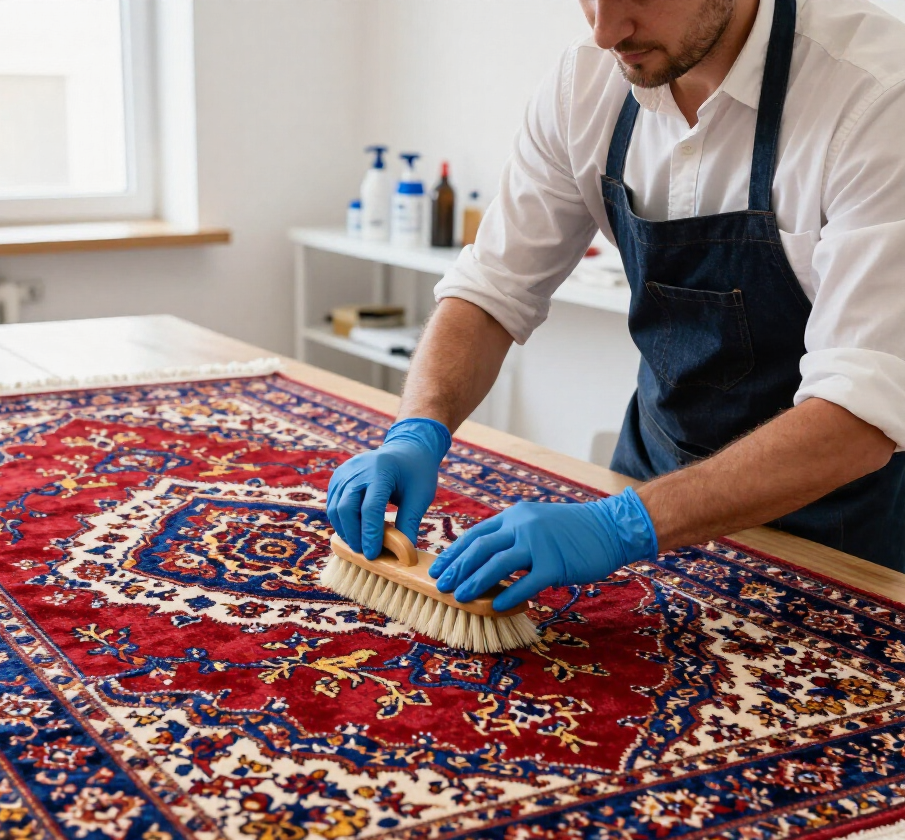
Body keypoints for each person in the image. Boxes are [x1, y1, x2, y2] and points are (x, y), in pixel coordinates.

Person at [327, 0, 905, 613]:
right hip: (646, 485)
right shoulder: (587, 81)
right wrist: (416, 427)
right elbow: (491, 287)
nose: (606, 31)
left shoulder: (874, 98)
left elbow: (857, 414)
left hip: (837, 535)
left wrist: (617, 527)